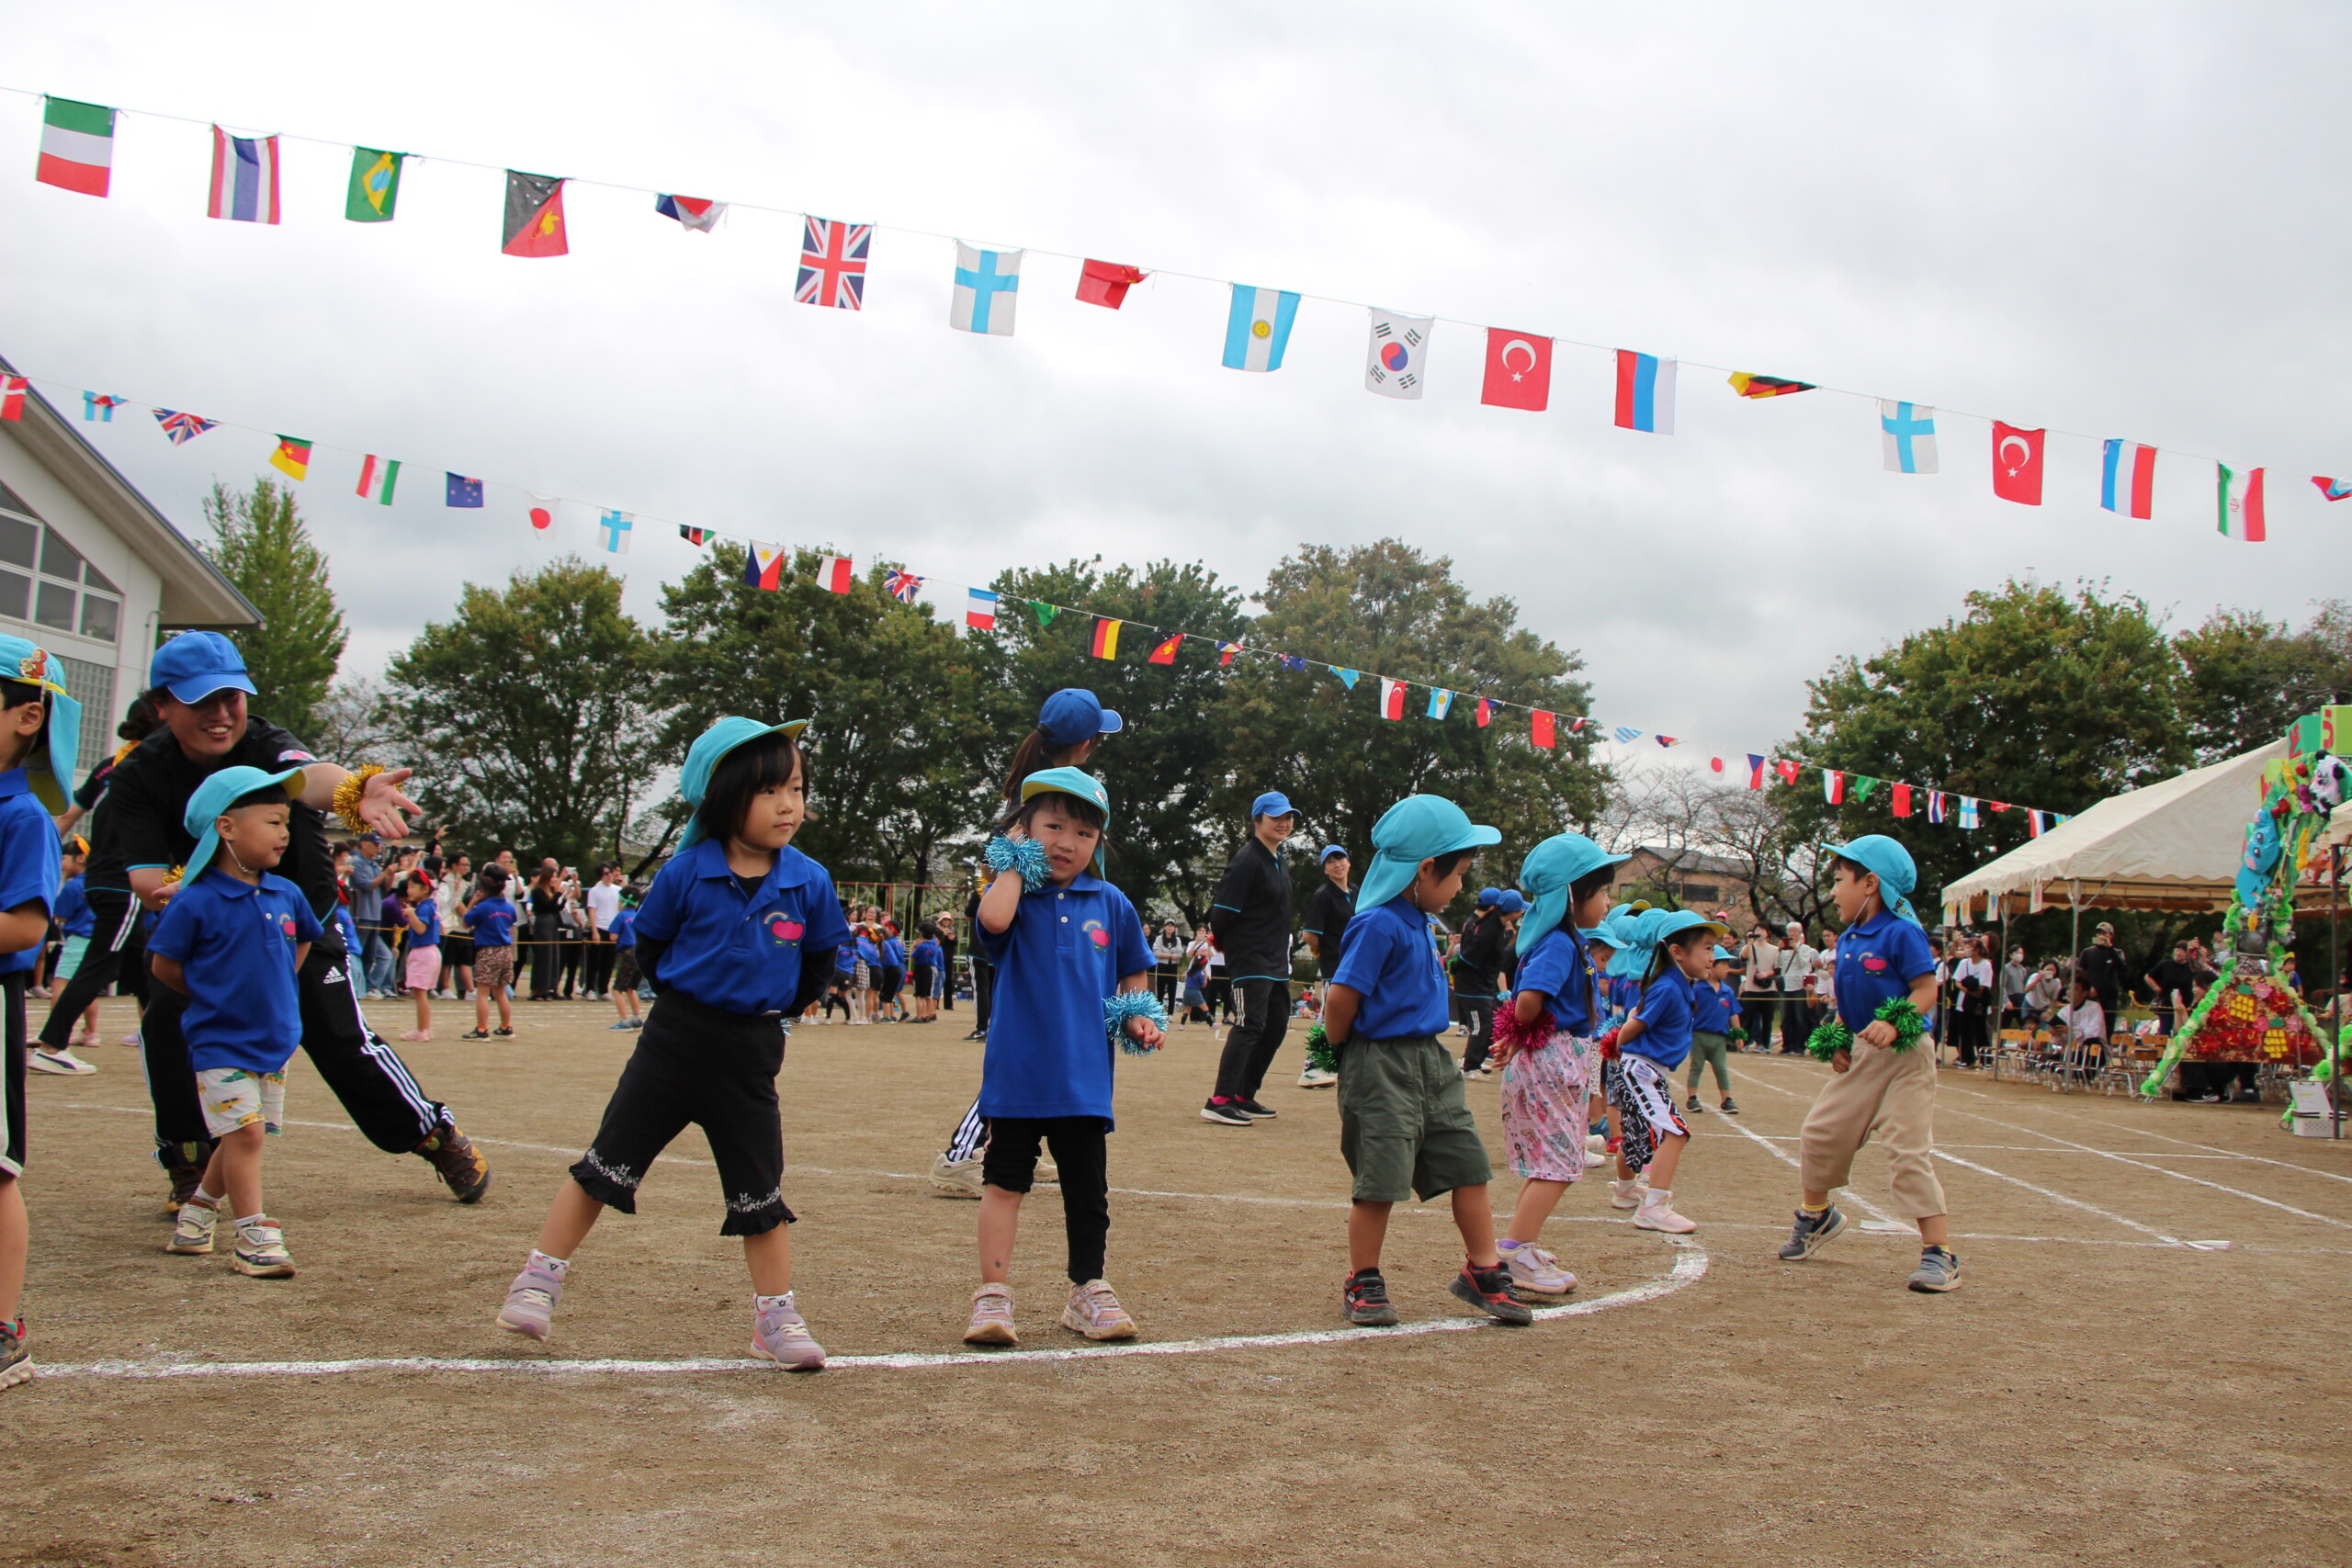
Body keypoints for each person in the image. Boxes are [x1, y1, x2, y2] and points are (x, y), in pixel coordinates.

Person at [90, 633, 488, 1213]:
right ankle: (188, 1162)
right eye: (202, 701)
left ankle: (434, 1134)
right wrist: (203, 893)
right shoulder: (138, 774)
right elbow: (148, 877)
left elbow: (314, 779)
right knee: (168, 1031)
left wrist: (355, 792)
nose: (221, 714)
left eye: (231, 697)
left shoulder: (266, 744)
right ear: (163, 705)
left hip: (298, 920)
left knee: (340, 1040)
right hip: (208, 931)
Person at [497, 716, 849, 1368]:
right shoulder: (685, 872)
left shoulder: (810, 880)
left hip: (751, 1054)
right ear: (722, 796)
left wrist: (776, 1009)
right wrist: (694, 999)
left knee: (760, 1194)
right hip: (673, 1045)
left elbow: (820, 960)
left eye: (797, 789)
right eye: (770, 790)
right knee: (604, 1166)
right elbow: (653, 950)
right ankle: (537, 1281)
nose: (789, 805)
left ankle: (775, 1320)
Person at [962, 767, 1161, 1347]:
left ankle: (1087, 1289)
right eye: (1052, 827)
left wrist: (1138, 1015)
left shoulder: (1112, 902)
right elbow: (992, 921)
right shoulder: (1012, 895)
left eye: (1083, 833)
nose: (1066, 843)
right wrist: (1013, 863)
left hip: (1083, 1079)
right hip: (1017, 1077)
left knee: (1087, 1191)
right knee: (1004, 1183)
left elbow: (1133, 971)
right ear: (1024, 828)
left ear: (1098, 842)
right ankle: (993, 1295)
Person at [1321, 794, 1529, 1327]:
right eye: (1456, 874)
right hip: (1380, 1064)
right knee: (1380, 1177)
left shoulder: (1419, 921)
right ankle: (1363, 1278)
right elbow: (1341, 999)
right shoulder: (1378, 923)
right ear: (1424, 869)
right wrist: (1341, 1049)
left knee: (1469, 1165)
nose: (1460, 887)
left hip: (1432, 1063)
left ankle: (1483, 1269)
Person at [931, 689, 1125, 1195]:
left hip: (1049, 947)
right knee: (1022, 1062)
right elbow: (1005, 884)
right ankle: (961, 1153)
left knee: (1039, 1060)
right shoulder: (1042, 804)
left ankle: (1015, 1144)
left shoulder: (1038, 795)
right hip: (1025, 946)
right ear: (1086, 743)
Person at [152, 764, 324, 1278]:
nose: (284, 833)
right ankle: (253, 1235)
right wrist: (216, 995)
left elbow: (304, 938)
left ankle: (196, 1216)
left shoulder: (286, 893)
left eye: (286, 822)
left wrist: (277, 987)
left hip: (275, 1041)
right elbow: (164, 966)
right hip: (219, 1042)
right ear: (226, 828)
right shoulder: (194, 900)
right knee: (246, 1135)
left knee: (238, 1135)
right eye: (273, 822)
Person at [1776, 835, 1958, 1293]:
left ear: (1870, 884)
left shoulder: (1902, 932)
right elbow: (1848, 1002)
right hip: (1862, 1055)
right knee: (1820, 1132)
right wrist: (1838, 1039)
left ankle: (1939, 1253)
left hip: (1906, 1058)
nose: (1833, 892)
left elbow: (1926, 990)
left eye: (1840, 881)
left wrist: (1895, 1024)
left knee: (1907, 1151)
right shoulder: (1850, 939)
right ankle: (1817, 1216)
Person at [1486, 831, 1625, 1301]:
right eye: (1602, 891)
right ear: (1571, 895)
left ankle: (1518, 1245)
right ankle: (1515, 1251)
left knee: (1550, 1163)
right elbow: (1528, 1000)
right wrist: (1521, 1027)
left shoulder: (1567, 941)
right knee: (1559, 1165)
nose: (1607, 901)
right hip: (1553, 1061)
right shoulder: (1559, 944)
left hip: (1559, 1058)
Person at [0, 641, 74, 1389]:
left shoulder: (22, 815)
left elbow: (25, 926)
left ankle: (4, 1329)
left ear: (27, 716)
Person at [32, 700, 161, 1066]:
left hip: (99, 880)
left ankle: (162, 1035)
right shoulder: (159, 766)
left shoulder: (110, 765)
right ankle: (51, 1046)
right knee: (99, 965)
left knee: (141, 962)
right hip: (125, 882)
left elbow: (67, 817)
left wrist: (39, 858)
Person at [1605, 910, 1727, 1235]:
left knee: (1636, 1134)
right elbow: (1635, 1023)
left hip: (1648, 1070)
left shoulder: (1679, 985)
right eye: (1707, 948)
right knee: (1676, 1132)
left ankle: (1625, 1191)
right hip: (1640, 1070)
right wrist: (1615, 1045)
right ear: (1677, 952)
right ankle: (1653, 1207)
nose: (1712, 957)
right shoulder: (1669, 988)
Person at [1200, 790, 1300, 1126]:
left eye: (1288, 817)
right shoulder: (1246, 860)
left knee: (1276, 1026)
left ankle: (1244, 1094)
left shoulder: (1278, 859)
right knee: (1249, 1024)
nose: (1284, 823)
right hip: (1251, 958)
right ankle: (1220, 1100)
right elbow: (1221, 914)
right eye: (1276, 817)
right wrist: (1229, 945)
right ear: (1257, 820)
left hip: (1276, 961)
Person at [27, 835, 96, 1073]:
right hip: (95, 940)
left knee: (61, 984)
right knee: (87, 986)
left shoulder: (75, 885)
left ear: (80, 858)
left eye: (64, 858)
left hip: (77, 939)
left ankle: (53, 1031)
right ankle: (90, 1032)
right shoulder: (96, 882)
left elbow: (60, 914)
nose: (62, 864)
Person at [1295, 846, 1353, 1089]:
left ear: (1348, 862)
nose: (1336, 864)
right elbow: (1309, 935)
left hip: (1356, 964)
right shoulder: (1324, 895)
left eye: (1339, 858)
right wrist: (1326, 950)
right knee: (1329, 1015)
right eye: (1330, 862)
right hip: (1335, 966)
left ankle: (1338, 1065)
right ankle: (1311, 1067)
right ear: (1325, 869)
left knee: (1348, 1016)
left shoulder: (1356, 892)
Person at [461, 868, 519, 1040]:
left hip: (488, 951)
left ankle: (482, 1029)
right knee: (500, 992)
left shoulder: (483, 907)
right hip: (505, 951)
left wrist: (473, 902)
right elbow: (511, 922)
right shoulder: (509, 907)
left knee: (482, 992)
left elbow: (465, 922)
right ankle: (506, 1027)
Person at [1685, 945, 1740, 1114]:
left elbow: (1733, 1014)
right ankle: (1692, 1098)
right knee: (1696, 1067)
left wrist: (1738, 1034)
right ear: (1711, 965)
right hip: (1699, 1036)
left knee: (1721, 1069)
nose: (1728, 969)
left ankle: (1727, 1100)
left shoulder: (1727, 991)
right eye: (1724, 964)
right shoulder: (1697, 989)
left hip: (1719, 1038)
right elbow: (1688, 1011)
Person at [395, 867, 441, 1042]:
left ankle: (422, 1030)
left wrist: (411, 914)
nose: (409, 890)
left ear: (425, 888)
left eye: (413, 886)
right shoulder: (430, 905)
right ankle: (425, 1028)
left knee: (419, 994)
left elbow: (421, 929)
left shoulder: (423, 908)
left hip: (423, 952)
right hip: (430, 951)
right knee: (421, 993)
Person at [1776, 921, 1819, 1055]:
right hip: (1787, 985)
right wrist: (1779, 951)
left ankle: (1799, 1046)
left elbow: (1804, 965)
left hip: (1800, 985)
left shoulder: (1806, 949)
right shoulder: (1785, 950)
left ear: (1800, 933)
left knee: (1800, 1017)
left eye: (1794, 931)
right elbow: (1778, 965)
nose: (1791, 934)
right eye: (1789, 932)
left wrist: (1796, 950)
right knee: (1786, 1017)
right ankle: (1787, 1045)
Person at [1950, 935, 1993, 1068]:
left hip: (1979, 1003)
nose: (1967, 950)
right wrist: (1967, 990)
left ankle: (1986, 1060)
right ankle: (1967, 1059)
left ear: (1977, 950)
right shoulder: (1964, 963)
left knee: (1981, 1032)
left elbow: (1983, 986)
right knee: (1965, 1031)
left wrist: (1973, 990)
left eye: (1970, 947)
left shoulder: (1986, 965)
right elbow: (1957, 981)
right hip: (1963, 1002)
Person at [436, 852, 474, 1000]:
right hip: (451, 925)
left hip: (462, 926)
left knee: (464, 959)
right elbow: (456, 903)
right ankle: (444, 987)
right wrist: (468, 917)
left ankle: (468, 989)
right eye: (463, 864)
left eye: (467, 865)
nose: (466, 867)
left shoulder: (464, 882)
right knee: (448, 959)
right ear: (454, 865)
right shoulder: (448, 881)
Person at [582, 863, 623, 1000]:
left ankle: (603, 989)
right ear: (601, 875)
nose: (610, 875)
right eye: (606, 873)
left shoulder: (618, 890)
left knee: (609, 961)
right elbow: (591, 911)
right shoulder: (594, 891)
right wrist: (594, 932)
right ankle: (589, 989)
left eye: (610, 872)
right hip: (600, 927)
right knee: (594, 961)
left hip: (613, 930)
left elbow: (621, 909)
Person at [606, 886, 643, 1032]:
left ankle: (624, 1021)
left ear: (622, 901)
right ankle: (637, 1018)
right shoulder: (638, 915)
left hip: (628, 953)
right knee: (631, 988)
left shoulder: (621, 916)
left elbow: (613, 936)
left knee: (617, 989)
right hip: (639, 952)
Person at [2076, 920, 2128, 1023]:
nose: (2101, 936)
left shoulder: (2117, 952)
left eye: (2104, 933)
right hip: (2092, 994)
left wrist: (2110, 947)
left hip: (2109, 995)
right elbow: (2079, 973)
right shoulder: (2088, 952)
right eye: (2099, 933)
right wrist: (2088, 987)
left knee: (2108, 1023)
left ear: (2111, 935)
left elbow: (2123, 969)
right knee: (2090, 1022)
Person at [526, 860, 562, 1001]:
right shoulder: (538, 891)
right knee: (543, 957)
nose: (555, 880)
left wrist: (564, 898)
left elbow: (555, 908)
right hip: (542, 923)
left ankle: (549, 988)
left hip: (552, 923)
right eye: (553, 877)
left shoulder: (550, 891)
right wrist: (558, 894)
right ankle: (538, 989)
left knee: (553, 956)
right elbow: (546, 907)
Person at [2144, 940, 2196, 1036]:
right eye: (2176, 950)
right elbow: (2148, 977)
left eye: (2181, 951)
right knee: (2164, 1032)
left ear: (2186, 954)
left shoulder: (2191, 968)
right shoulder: (2166, 964)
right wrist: (2157, 988)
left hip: (2185, 1007)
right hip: (2167, 1005)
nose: (2178, 953)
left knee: (2182, 1033)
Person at [1150, 919, 1184, 1017]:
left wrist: (1168, 955)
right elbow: (1156, 952)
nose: (1170, 928)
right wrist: (1170, 956)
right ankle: (1159, 1012)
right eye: (1168, 925)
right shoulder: (1159, 939)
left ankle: (1170, 1013)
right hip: (1162, 966)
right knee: (1160, 990)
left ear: (1175, 928)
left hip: (1173, 967)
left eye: (1172, 926)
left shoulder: (1177, 940)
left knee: (1172, 990)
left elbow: (1180, 953)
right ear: (1164, 927)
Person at [909, 924, 943, 1022]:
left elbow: (913, 957)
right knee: (925, 994)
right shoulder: (933, 946)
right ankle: (924, 1015)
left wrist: (913, 947)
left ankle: (919, 1016)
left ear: (922, 934)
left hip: (921, 969)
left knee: (919, 995)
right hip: (929, 969)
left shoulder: (921, 946)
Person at [2001, 944, 2031, 1029]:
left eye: (2021, 953)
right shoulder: (2006, 968)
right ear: (2011, 955)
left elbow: (2024, 986)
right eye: (2017, 953)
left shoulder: (2023, 970)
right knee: (2005, 1025)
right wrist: (2006, 1001)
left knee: (2024, 1024)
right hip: (2010, 998)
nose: (2020, 955)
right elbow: (2002, 986)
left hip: (2020, 998)